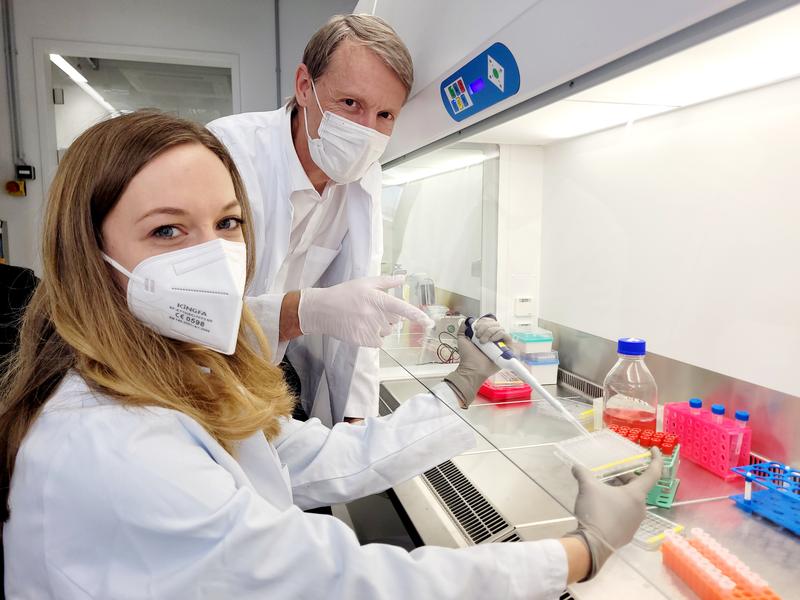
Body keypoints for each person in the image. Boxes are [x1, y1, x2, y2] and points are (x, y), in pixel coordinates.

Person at [1, 111, 662, 599]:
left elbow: (312, 458)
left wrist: (461, 388)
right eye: (168, 230)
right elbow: (337, 583)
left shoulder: (168, 367)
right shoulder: (112, 445)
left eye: (228, 223)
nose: (212, 255)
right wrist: (579, 554)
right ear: (90, 254)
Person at [208, 14, 430, 425]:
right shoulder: (226, 154)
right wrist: (303, 312)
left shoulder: (365, 177)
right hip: (203, 384)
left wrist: (355, 418)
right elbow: (193, 313)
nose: (367, 131)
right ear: (304, 87)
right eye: (351, 104)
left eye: (385, 115)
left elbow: (359, 309)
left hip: (274, 379)